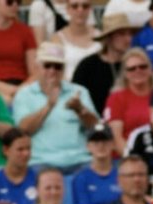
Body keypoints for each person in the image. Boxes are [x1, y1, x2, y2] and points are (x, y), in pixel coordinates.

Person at [15, 43, 99, 173]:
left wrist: (81, 110)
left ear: (63, 69)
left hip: (80, 160)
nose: (52, 71)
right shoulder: (25, 94)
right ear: (37, 67)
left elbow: (97, 128)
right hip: (41, 162)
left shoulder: (79, 91)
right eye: (47, 65)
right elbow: (23, 130)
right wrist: (49, 106)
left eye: (58, 66)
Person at [103, 48, 153, 144]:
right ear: (125, 74)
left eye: (142, 66)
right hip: (126, 154)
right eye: (132, 69)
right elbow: (116, 138)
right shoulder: (116, 99)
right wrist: (131, 157)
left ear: (150, 69)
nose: (138, 71)